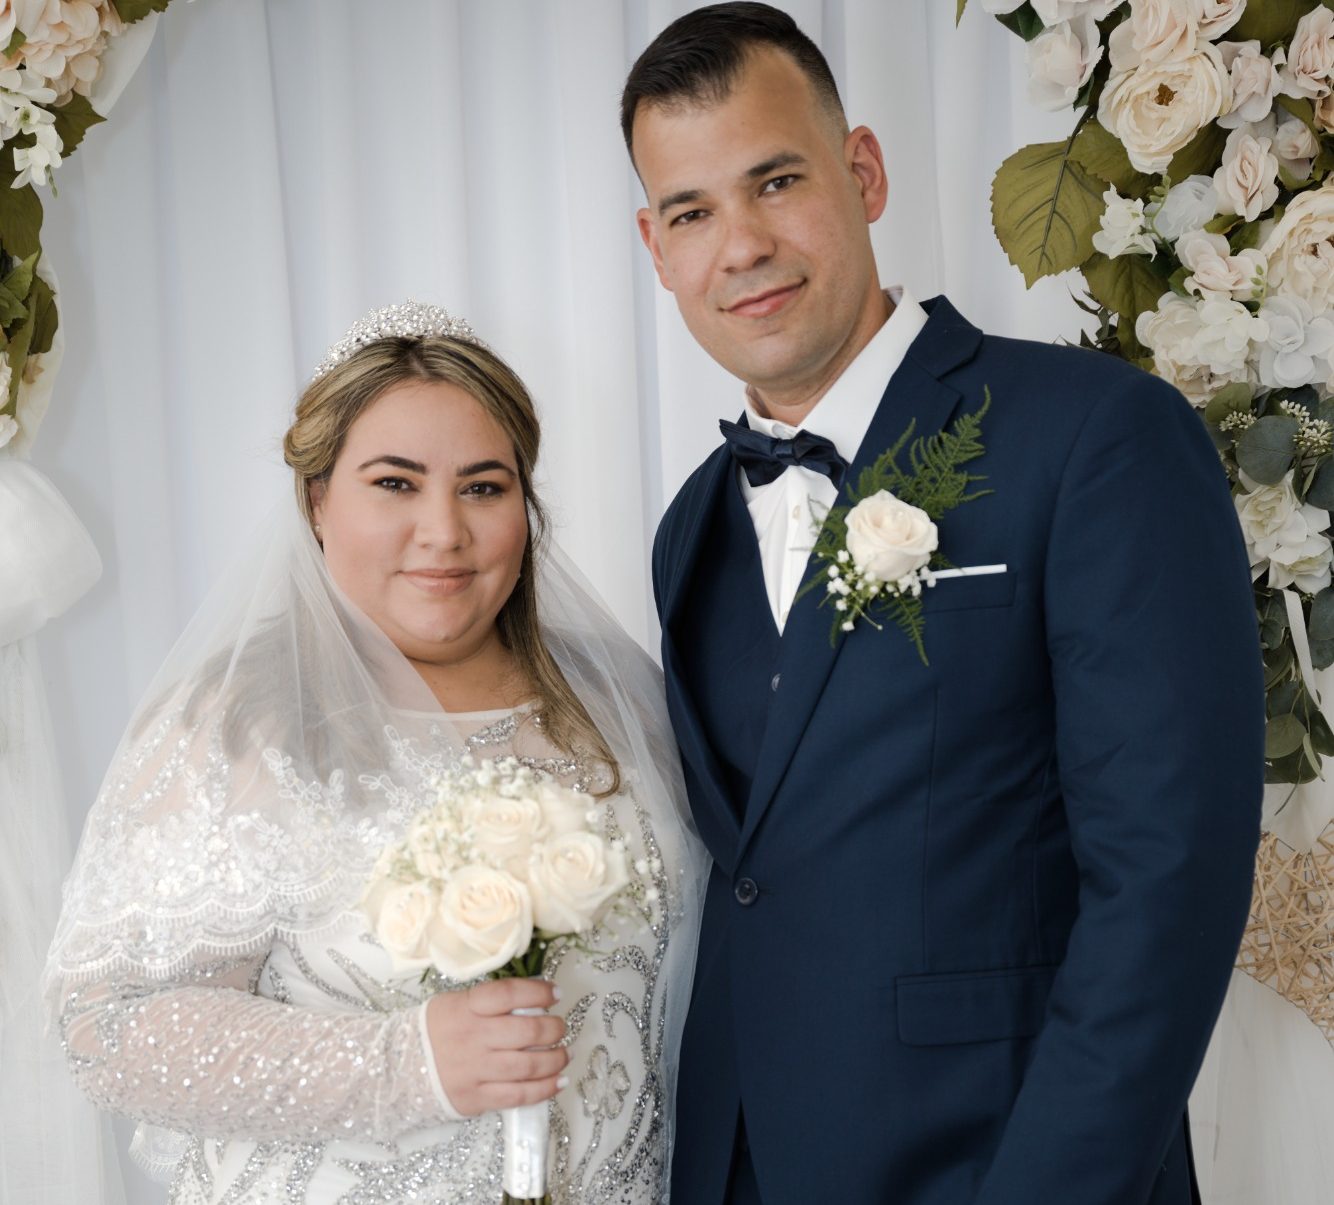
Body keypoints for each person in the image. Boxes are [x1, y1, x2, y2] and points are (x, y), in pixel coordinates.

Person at [622, 5, 1264, 1204]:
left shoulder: (1095, 438)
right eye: (690, 211)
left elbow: (1166, 881)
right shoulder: (690, 525)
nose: (741, 244)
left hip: (1003, 1165)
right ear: (655, 250)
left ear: (860, 172)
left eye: (775, 180)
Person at [43, 303, 707, 1204]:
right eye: (396, 483)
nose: (444, 531)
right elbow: (104, 1026)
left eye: (483, 486)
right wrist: (407, 1063)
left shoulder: (616, 702)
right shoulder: (238, 722)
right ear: (318, 500)